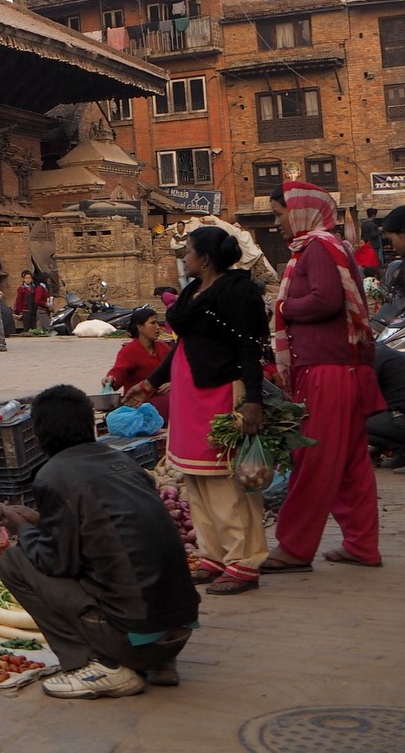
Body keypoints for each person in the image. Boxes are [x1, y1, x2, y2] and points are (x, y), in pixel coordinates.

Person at [0, 385, 199, 699]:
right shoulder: (124, 464)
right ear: (89, 425)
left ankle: (95, 665)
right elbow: (97, 529)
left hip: (133, 643)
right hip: (177, 635)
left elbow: (56, 562)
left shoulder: (53, 474)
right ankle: (161, 663)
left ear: (38, 435)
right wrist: (38, 520)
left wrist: (22, 528)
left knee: (14, 562)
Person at [126, 225, 268, 594]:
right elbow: (183, 346)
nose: (183, 258)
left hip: (221, 391)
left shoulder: (239, 291)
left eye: (187, 252)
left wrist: (254, 400)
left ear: (204, 259)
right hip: (189, 395)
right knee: (196, 479)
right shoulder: (192, 293)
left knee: (226, 481)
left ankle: (243, 562)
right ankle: (212, 555)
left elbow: (250, 348)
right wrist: (151, 383)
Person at [261, 181, 385, 572]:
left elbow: (324, 300)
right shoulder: (329, 246)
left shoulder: (317, 248)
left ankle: (295, 548)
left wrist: (282, 306)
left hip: (326, 373)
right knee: (350, 464)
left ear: (299, 211)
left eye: (279, 214)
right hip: (342, 368)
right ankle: (361, 545)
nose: (276, 223)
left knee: (312, 459)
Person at [104, 307, 173, 422]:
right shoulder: (129, 351)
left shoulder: (163, 348)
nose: (158, 328)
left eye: (157, 323)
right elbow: (119, 371)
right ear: (140, 327)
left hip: (165, 399)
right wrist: (111, 379)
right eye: (153, 323)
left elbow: (179, 370)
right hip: (140, 403)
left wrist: (173, 384)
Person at [368, 343, 405, 468]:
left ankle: (403, 451)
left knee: (354, 424)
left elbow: (366, 399)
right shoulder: (385, 353)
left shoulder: (375, 358)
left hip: (401, 417)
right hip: (399, 414)